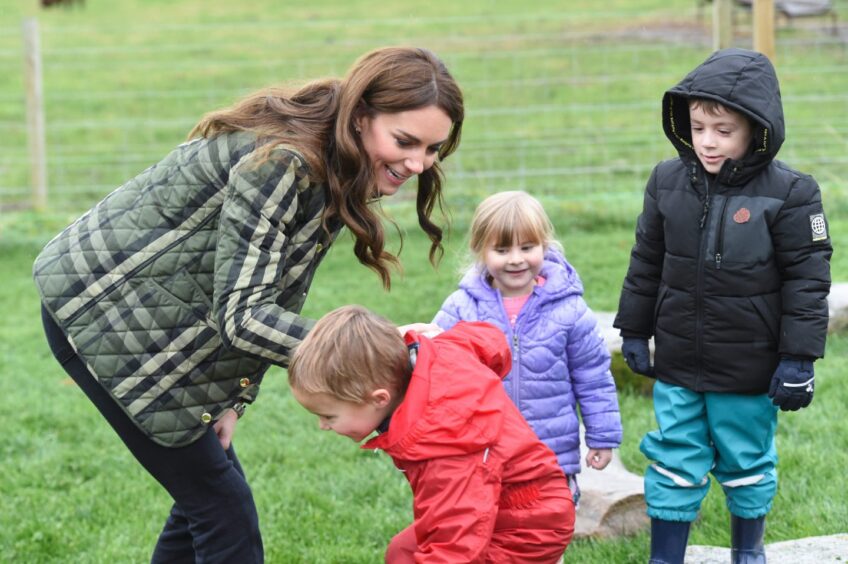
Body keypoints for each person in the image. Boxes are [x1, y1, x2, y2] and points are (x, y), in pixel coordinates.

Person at [33, 46, 464, 563]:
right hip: (98, 312)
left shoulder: (334, 163)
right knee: (223, 510)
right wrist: (379, 346)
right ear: (361, 117)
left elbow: (273, 288)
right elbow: (245, 314)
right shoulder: (285, 163)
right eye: (405, 141)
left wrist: (231, 400)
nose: (418, 164)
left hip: (156, 322)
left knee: (205, 500)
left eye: (433, 149)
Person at [614, 48, 832, 564]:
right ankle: (665, 558)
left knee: (747, 462)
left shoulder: (793, 193)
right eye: (697, 126)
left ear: (757, 129)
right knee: (672, 459)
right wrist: (633, 330)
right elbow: (646, 259)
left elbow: (808, 280)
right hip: (679, 363)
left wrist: (799, 359)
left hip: (749, 368)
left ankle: (747, 553)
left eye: (723, 129)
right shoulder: (666, 181)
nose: (707, 141)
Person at [288, 305, 575, 562]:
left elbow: (455, 544)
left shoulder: (444, 446)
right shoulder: (434, 356)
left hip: (527, 527)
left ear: (379, 399)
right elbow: (489, 341)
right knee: (402, 552)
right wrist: (436, 339)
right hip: (504, 502)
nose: (323, 426)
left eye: (328, 416)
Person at [432, 190, 623, 507]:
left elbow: (593, 378)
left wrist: (602, 436)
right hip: (483, 454)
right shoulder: (462, 308)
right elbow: (435, 370)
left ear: (544, 246)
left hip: (550, 455)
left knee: (545, 535)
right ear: (481, 251)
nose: (516, 259)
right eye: (502, 249)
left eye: (527, 247)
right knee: (493, 536)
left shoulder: (569, 310)